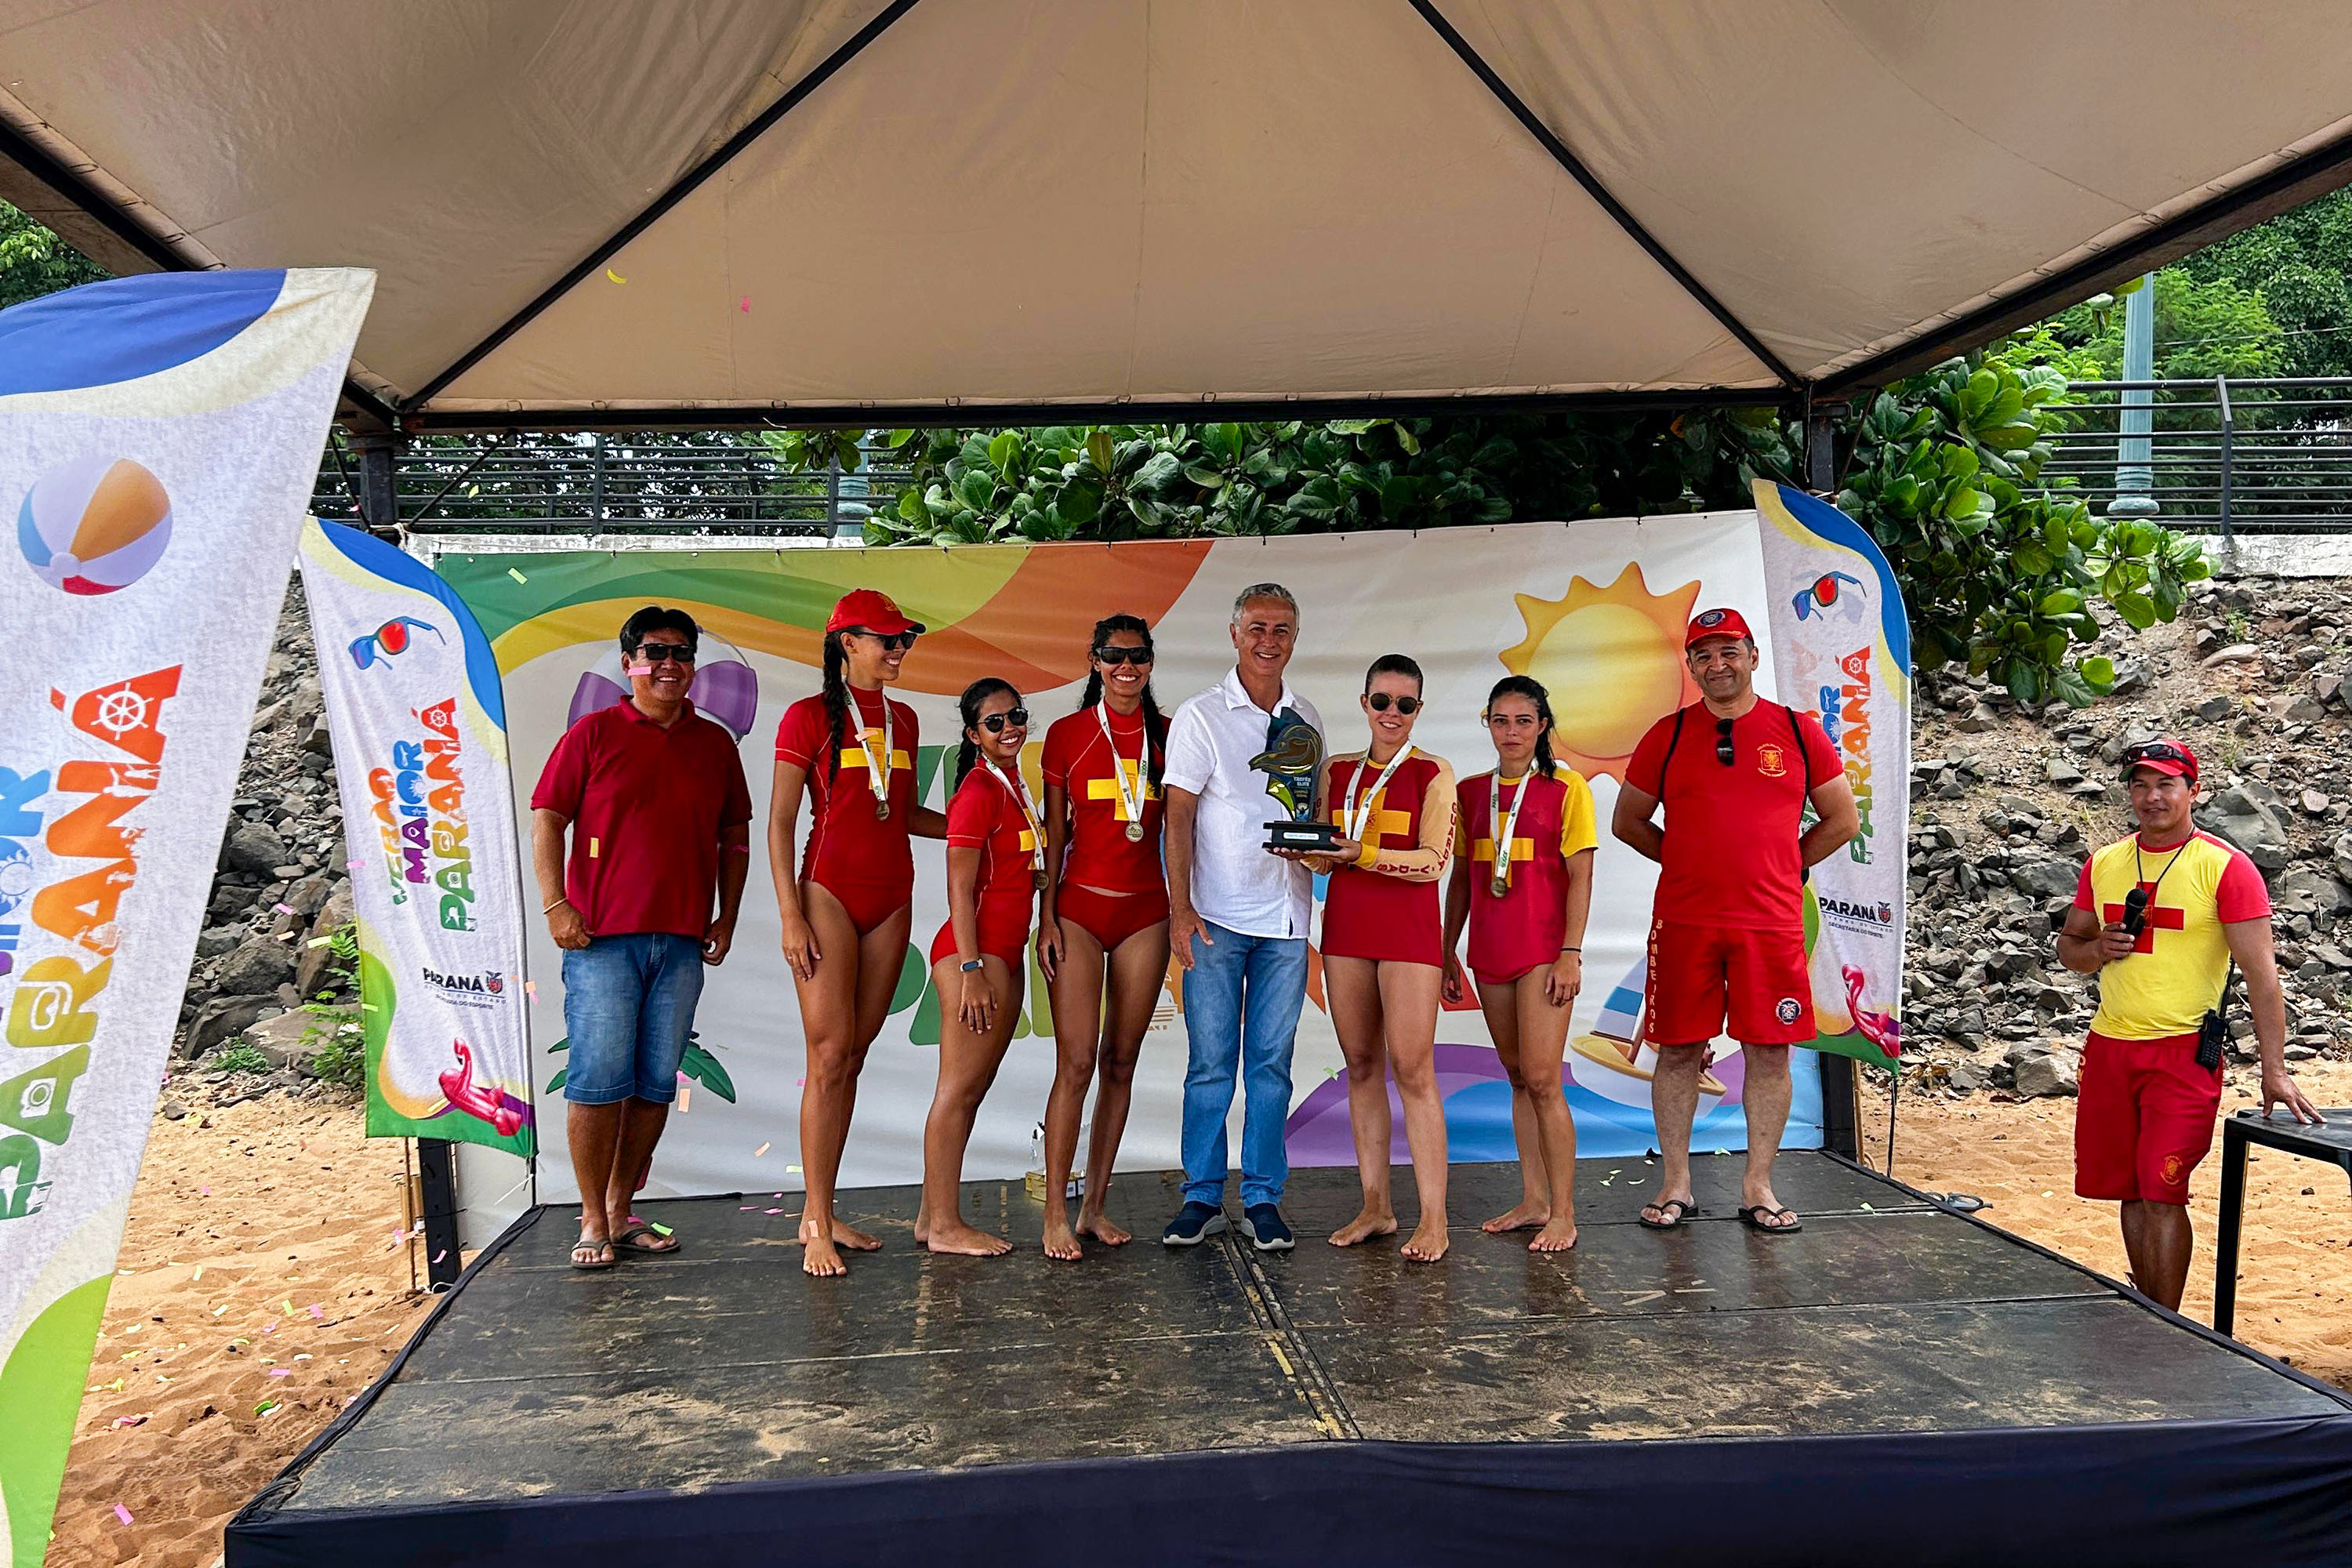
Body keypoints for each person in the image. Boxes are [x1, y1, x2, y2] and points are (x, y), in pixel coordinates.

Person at [1612, 608, 1857, 1236]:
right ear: (1691, 668)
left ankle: (1758, 1186)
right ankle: (1676, 1184)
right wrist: (1687, 861)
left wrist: (1786, 865)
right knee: (1677, 1051)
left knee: (1769, 1052)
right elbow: (1627, 821)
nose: (1717, 665)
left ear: (1752, 656)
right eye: (1703, 655)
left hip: (1769, 923)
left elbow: (1843, 820)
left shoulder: (1797, 731)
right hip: (1685, 921)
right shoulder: (1666, 735)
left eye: (1728, 652)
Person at [2056, 737, 2322, 1310]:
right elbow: (2070, 946)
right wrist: (2097, 949)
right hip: (2110, 1048)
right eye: (2140, 785)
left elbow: (2263, 977)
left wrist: (2274, 1070)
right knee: (2129, 1190)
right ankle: (2148, 1311)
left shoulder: (2225, 867)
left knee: (2163, 1189)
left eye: (2166, 785)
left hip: (2182, 1053)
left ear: (2193, 791)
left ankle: (2166, 1323)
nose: (2152, 797)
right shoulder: (2104, 863)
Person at [531, 607, 752, 1270]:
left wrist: (728, 916)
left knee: (655, 1084)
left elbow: (734, 835)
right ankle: (591, 1217)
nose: (668, 664)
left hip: (681, 943)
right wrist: (556, 905)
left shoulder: (715, 744)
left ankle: (621, 1211)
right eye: (655, 652)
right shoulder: (592, 734)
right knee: (598, 1080)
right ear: (629, 663)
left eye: (681, 653)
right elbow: (548, 818)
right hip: (600, 941)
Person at [769, 590, 947, 1277]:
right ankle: (814, 1219)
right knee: (828, 1052)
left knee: (854, 1056)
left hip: (892, 896)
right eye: (888, 640)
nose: (899, 650)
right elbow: (781, 823)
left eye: (905, 641)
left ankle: (826, 1208)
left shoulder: (905, 718)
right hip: (827, 894)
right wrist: (790, 914)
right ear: (848, 642)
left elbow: (901, 813)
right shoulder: (807, 716)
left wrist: (983, 830)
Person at [1161, 583, 1322, 1250]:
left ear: (1295, 638)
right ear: (1234, 635)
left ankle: (1262, 1198)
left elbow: (1308, 813)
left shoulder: (1306, 716)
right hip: (1215, 920)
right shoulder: (1201, 715)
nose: (1268, 640)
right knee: (1210, 1065)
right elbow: (1177, 816)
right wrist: (1179, 909)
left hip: (1285, 919)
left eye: (1281, 629)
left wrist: (1318, 848)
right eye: (1257, 627)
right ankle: (1201, 1196)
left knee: (1271, 1067)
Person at [1290, 655, 1458, 1261]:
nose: (1392, 713)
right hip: (1347, 931)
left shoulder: (1433, 771)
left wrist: (1359, 853)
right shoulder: (1336, 771)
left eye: (1405, 705)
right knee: (1360, 1065)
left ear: (1418, 709)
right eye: (1382, 701)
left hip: (1408, 934)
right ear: (1364, 704)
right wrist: (1299, 847)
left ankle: (1434, 1219)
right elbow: (1322, 852)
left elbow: (1433, 862)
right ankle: (1376, 1206)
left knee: (1413, 1070)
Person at [1442, 675, 1596, 1254]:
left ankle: (1565, 1212)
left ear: (1543, 726)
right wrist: (1446, 949)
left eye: (1523, 721)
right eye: (1500, 721)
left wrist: (1571, 953)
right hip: (1490, 951)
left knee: (1543, 1079)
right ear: (1487, 723)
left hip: (1543, 954)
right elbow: (1462, 878)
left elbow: (1581, 876)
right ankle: (1534, 1199)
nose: (1511, 732)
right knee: (1516, 1076)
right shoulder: (1470, 791)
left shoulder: (1567, 788)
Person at [1035, 615, 1171, 1261]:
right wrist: (1046, 917)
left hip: (1147, 913)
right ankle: (1054, 1215)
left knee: (1122, 1061)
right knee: (1076, 1062)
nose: (1126, 667)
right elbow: (1053, 837)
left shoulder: (1169, 734)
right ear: (1093, 661)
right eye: (1114, 655)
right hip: (1080, 913)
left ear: (1150, 662)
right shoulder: (1066, 735)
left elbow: (1188, 826)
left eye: (1137, 655)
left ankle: (1094, 1206)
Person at [916, 681, 1044, 1256]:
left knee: (971, 1089)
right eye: (994, 722)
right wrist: (970, 968)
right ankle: (945, 1226)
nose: (1009, 728)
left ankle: (931, 1217)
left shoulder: (1011, 783)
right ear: (973, 734)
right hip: (974, 953)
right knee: (958, 1091)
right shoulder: (978, 789)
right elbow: (959, 887)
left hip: (1005, 950)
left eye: (1016, 716)